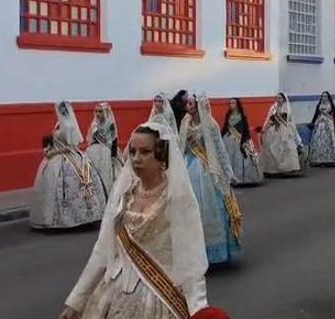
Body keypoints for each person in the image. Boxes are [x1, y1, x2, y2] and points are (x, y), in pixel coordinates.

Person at [59, 122, 209, 319]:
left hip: (159, 297)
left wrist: (199, 310)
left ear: (161, 156)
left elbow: (191, 260)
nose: (137, 159)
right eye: (133, 152)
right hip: (114, 294)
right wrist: (77, 301)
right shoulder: (124, 196)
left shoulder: (177, 198)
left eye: (145, 152)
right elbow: (103, 251)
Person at [180, 94, 243, 264]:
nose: (189, 106)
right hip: (190, 165)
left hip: (208, 169)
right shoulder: (185, 123)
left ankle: (215, 251)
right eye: (188, 104)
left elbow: (220, 149)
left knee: (212, 207)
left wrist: (228, 173)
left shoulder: (210, 124)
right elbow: (181, 147)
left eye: (191, 104)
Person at [30, 101, 107, 229]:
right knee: (58, 185)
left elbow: (72, 143)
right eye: (61, 110)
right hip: (60, 158)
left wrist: (62, 150)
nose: (63, 112)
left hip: (70, 157)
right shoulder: (59, 125)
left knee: (79, 181)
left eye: (64, 110)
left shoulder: (69, 126)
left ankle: (84, 215)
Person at [221, 98, 263, 186]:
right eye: (230, 103)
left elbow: (245, 129)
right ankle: (230, 178)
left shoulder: (242, 116)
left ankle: (241, 178)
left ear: (237, 104)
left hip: (240, 139)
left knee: (242, 157)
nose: (231, 104)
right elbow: (225, 127)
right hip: (229, 140)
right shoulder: (228, 115)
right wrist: (220, 136)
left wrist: (245, 140)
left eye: (233, 103)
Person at [259, 93, 304, 176]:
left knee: (288, 148)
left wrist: (274, 119)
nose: (278, 99)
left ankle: (289, 168)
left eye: (280, 98)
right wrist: (264, 128)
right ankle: (273, 170)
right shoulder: (273, 108)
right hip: (273, 130)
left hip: (284, 130)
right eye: (277, 98)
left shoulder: (287, 107)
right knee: (272, 148)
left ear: (283, 99)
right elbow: (269, 118)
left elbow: (284, 119)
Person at [85, 102, 124, 197]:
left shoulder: (110, 124)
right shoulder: (94, 125)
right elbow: (94, 138)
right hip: (94, 152)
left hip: (106, 153)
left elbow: (114, 140)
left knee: (107, 177)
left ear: (105, 112)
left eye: (100, 112)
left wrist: (113, 156)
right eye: (96, 111)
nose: (98, 114)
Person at [307, 91, 335, 166]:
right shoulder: (319, 105)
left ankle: (329, 158)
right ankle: (318, 159)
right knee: (318, 141)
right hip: (319, 124)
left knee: (329, 141)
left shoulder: (331, 105)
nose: (324, 98)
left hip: (329, 124)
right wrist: (313, 123)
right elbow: (315, 115)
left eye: (325, 96)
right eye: (323, 96)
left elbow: (334, 115)